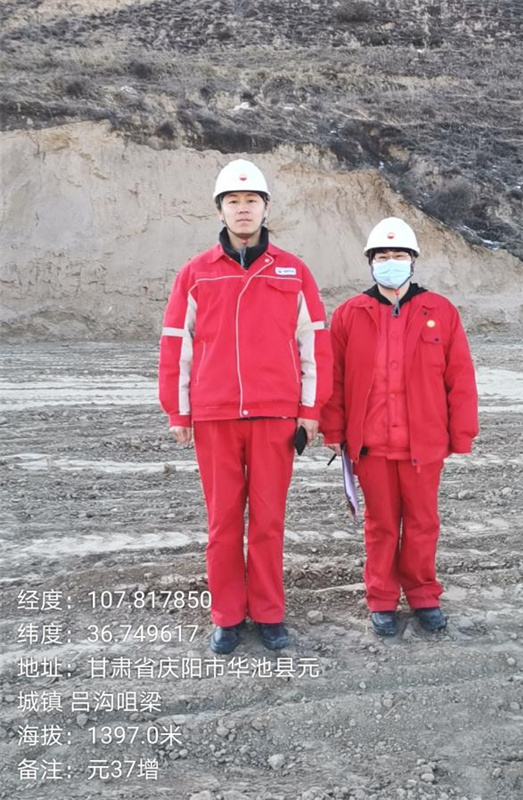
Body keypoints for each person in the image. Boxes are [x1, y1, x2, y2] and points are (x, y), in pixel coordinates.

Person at [158, 159, 332, 653]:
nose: (242, 209)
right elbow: (176, 343)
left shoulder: (293, 271)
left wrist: (310, 408)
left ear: (265, 207)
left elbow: (314, 343)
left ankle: (270, 613)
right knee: (223, 523)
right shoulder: (196, 273)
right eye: (232, 201)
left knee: (269, 521)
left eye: (251, 200)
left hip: (275, 415)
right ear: (219, 210)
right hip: (215, 416)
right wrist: (178, 409)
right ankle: (228, 616)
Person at [320, 217, 478, 636]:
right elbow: (334, 379)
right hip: (370, 446)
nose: (391, 262)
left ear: (413, 260)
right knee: (381, 525)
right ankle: (382, 598)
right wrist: (333, 432)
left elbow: (460, 376)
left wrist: (461, 434)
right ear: (371, 262)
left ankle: (424, 595)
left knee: (423, 523)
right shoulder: (349, 314)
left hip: (424, 444)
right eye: (383, 256)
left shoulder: (440, 311)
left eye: (399, 255)